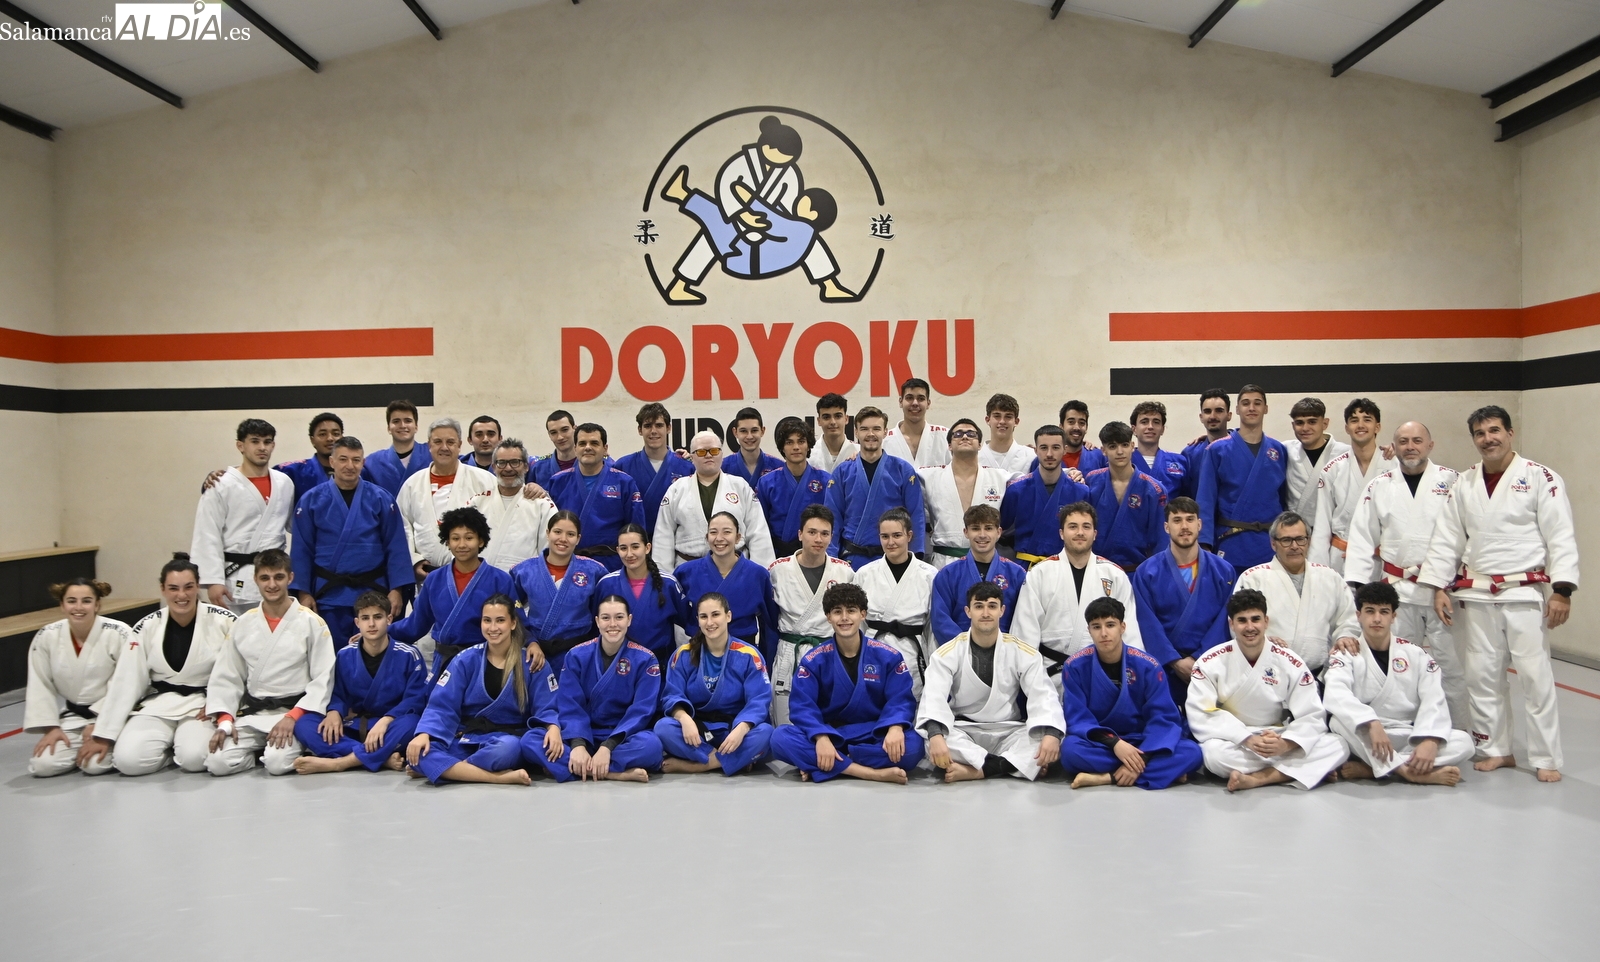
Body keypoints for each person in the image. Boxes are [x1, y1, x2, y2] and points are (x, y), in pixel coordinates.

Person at [1420, 405, 1579, 783]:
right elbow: (1447, 538)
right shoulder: (1464, 483)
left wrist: (1562, 590)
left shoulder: (1541, 477)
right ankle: (1496, 749)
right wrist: (1439, 586)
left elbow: (1560, 534)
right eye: (1480, 433)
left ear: (1510, 433)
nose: (1487, 439)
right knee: (1482, 677)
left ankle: (1545, 756)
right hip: (1477, 592)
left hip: (1523, 591)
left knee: (1535, 679)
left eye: (1494, 431)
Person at [1342, 421, 1466, 725]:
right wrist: (1359, 586)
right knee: (1400, 666)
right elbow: (1362, 536)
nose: (1410, 447)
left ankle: (1459, 730)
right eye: (1403, 441)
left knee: (1453, 668)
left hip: (1443, 592)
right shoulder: (1379, 485)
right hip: (1398, 592)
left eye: (1417, 440)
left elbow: (1468, 533)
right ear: (1394, 447)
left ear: (1430, 445)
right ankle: (1403, 726)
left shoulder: (1453, 481)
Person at [660, 116, 853, 304]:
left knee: (712, 231)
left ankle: (682, 195)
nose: (781, 164)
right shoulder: (741, 163)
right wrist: (742, 214)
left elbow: (784, 212)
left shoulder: (792, 184)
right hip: (745, 234)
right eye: (779, 157)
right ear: (766, 147)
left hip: (758, 252)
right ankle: (830, 286)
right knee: (712, 231)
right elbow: (726, 189)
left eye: (786, 161)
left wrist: (753, 207)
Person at [84, 554, 235, 776]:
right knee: (128, 762)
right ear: (162, 589)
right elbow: (127, 680)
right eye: (173, 588)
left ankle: (179, 749)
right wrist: (103, 733)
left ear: (197, 587)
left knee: (194, 759)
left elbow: (239, 671)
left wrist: (220, 703)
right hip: (159, 703)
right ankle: (167, 754)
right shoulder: (146, 626)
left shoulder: (224, 620)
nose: (181, 595)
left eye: (188, 587)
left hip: (203, 705)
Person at [1186, 590, 1348, 791]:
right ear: (1231, 624)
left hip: (1277, 735)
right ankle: (1303, 769)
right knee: (1213, 755)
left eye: (1256, 619)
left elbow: (1311, 715)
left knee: (1338, 744)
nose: (1250, 627)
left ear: (1266, 621)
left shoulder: (1290, 661)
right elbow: (1202, 712)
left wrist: (1286, 744)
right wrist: (1247, 738)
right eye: (1242, 620)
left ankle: (1259, 779)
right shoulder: (1210, 662)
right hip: (1235, 739)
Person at [770, 583, 925, 783]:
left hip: (873, 733)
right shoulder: (813, 660)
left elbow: (901, 700)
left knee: (914, 746)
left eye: (851, 611)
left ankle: (829, 763)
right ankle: (868, 772)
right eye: (837, 612)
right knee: (780, 738)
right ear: (828, 617)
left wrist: (895, 728)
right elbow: (802, 706)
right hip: (831, 734)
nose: (844, 618)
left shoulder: (888, 656)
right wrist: (821, 737)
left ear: (863, 614)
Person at [201, 549, 336, 776]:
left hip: (293, 713)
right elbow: (227, 675)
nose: (272, 584)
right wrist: (225, 720)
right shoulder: (243, 623)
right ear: (255, 579)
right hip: (254, 714)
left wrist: (293, 717)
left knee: (276, 764)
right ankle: (256, 755)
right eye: (265, 578)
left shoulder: (312, 622)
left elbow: (323, 679)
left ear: (290, 578)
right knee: (217, 762)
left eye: (278, 577)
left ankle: (275, 751)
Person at [1323, 582, 1473, 785]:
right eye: (1370, 611)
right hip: (1368, 735)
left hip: (1407, 734)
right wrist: (1371, 722)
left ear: (1394, 616)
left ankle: (1376, 768)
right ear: (1359, 615)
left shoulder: (1415, 653)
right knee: (1338, 722)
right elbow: (1336, 694)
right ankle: (1407, 772)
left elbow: (1434, 699)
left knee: (1464, 742)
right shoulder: (1346, 654)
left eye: (1384, 612)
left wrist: (1430, 739)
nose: (1377, 618)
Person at [918, 582, 1063, 782]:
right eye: (979, 606)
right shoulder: (947, 652)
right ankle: (1010, 766)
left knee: (1045, 741)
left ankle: (978, 770)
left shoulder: (1022, 652)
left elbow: (1043, 695)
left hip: (1009, 730)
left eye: (992, 606)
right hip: (964, 729)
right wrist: (936, 736)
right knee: (932, 742)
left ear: (1002, 610)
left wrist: (1052, 734)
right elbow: (934, 697)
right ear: (968, 611)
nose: (985, 613)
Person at [406, 595, 558, 786]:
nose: (493, 628)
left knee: (509, 749)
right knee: (421, 752)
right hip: (466, 738)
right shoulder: (465, 660)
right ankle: (496, 777)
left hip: (505, 741)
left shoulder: (531, 663)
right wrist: (424, 734)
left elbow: (547, 706)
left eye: (500, 620)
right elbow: (441, 705)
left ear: (513, 623)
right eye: (487, 620)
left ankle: (449, 770)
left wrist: (553, 727)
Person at [1060, 597, 1201, 789]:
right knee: (1070, 752)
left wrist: (1143, 756)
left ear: (1122, 627)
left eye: (1110, 625)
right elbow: (1078, 718)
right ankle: (1158, 771)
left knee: (1192, 753)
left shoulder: (1148, 665)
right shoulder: (1074, 666)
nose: (1104, 633)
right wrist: (1116, 744)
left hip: (1143, 740)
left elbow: (1163, 718)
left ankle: (1107, 777)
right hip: (1103, 743)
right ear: (1089, 630)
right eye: (1096, 627)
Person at [289, 436, 413, 649]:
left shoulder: (381, 499)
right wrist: (303, 592)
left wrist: (397, 590)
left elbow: (396, 547)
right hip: (328, 595)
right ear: (332, 461)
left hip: (374, 592)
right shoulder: (311, 500)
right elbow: (302, 550)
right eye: (343, 459)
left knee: (374, 652)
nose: (350, 465)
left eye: (356, 460)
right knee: (329, 655)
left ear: (363, 463)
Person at [527, 595, 664, 782]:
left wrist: (608, 746)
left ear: (629, 620)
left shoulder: (646, 659)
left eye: (619, 617)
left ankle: (578, 769)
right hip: (584, 733)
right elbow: (570, 704)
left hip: (622, 736)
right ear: (597, 622)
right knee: (531, 740)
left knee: (652, 747)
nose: (612, 624)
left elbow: (641, 710)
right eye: (606, 618)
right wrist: (578, 744)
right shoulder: (576, 655)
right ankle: (612, 773)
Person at [292, 591, 431, 774]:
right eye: (365, 618)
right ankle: (381, 757)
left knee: (412, 724)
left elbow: (415, 700)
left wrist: (386, 720)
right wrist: (334, 712)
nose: (371, 624)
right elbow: (338, 693)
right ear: (357, 623)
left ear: (389, 619)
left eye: (378, 617)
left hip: (391, 726)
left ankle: (341, 762)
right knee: (305, 724)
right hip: (356, 724)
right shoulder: (344, 654)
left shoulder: (409, 654)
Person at [1012, 502, 1145, 678]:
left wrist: (1130, 676)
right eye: (1073, 527)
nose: (1080, 532)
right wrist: (1033, 682)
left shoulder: (1115, 575)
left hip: (1101, 675)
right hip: (1049, 675)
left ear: (1095, 534)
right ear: (1061, 533)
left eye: (1086, 527)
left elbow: (1129, 633)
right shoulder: (1040, 574)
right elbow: (1025, 635)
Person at [1131, 497, 1236, 712]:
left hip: (1212, 665)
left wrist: (1199, 658)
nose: (1184, 526)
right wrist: (1174, 661)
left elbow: (1225, 621)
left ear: (1200, 524)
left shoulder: (1223, 571)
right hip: (1165, 668)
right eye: (1177, 520)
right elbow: (1147, 623)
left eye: (1190, 519)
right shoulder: (1146, 572)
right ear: (1166, 527)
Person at [655, 593, 775, 775]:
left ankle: (701, 764)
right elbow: (672, 695)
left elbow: (759, 700)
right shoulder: (684, 654)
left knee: (766, 732)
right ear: (698, 620)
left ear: (728, 616)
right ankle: (730, 761)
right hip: (698, 731)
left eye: (716, 614)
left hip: (733, 730)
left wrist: (742, 728)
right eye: (704, 616)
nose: (710, 622)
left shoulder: (749, 655)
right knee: (663, 728)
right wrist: (684, 719)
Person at [24, 578, 131, 777]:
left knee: (94, 765)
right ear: (62, 605)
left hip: (112, 715)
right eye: (72, 601)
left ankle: (109, 745)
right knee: (43, 765)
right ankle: (80, 747)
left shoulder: (119, 633)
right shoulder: (47, 636)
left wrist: (101, 726)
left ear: (97, 605)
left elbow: (127, 684)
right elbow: (40, 684)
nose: (79, 608)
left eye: (86, 601)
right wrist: (51, 728)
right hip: (73, 717)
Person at [390, 506, 515, 673]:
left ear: (481, 541)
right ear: (447, 542)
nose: (462, 544)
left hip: (486, 662)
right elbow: (415, 625)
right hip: (445, 663)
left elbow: (517, 622)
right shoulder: (434, 579)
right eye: (455, 538)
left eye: (469, 538)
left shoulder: (500, 580)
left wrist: (531, 643)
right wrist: (381, 632)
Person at [1234, 511, 1359, 674]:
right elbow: (1238, 621)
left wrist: (1345, 636)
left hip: (1318, 673)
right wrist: (1261, 641)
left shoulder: (1331, 578)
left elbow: (1348, 619)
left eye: (1300, 539)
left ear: (1309, 541)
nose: (1294, 546)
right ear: (1273, 544)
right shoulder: (1253, 578)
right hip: (1268, 670)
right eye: (1286, 540)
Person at [190, 418, 293, 614]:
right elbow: (207, 534)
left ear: (273, 445)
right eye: (255, 441)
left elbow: (296, 526)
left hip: (274, 577)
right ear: (240, 446)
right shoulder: (221, 484)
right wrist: (213, 581)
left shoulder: (284, 483)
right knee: (233, 630)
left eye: (267, 442)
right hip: (233, 577)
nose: (262, 447)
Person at [768, 505, 855, 723]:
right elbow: (768, 615)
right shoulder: (778, 570)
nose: (818, 539)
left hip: (828, 652)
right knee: (785, 726)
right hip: (790, 652)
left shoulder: (844, 571)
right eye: (812, 532)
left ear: (832, 537)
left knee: (828, 722)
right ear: (800, 534)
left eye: (825, 533)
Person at [1194, 385, 1289, 575]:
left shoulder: (1278, 450)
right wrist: (1204, 544)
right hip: (1231, 541)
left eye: (1257, 403)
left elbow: (1284, 499)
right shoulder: (1217, 450)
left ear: (1266, 409)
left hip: (1269, 543)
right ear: (1237, 410)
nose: (1251, 408)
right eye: (1246, 403)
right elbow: (1205, 500)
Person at [653, 429, 775, 573]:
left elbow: (758, 532)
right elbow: (663, 535)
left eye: (714, 451)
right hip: (689, 570)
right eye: (701, 452)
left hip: (735, 569)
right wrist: (664, 577)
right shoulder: (677, 489)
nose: (709, 455)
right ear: (692, 457)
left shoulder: (740, 486)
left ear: (722, 454)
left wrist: (761, 574)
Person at [825, 406, 927, 568]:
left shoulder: (902, 470)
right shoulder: (842, 472)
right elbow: (832, 517)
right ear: (856, 432)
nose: (870, 434)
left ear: (885, 432)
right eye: (864, 429)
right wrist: (830, 556)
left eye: (876, 429)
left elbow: (916, 515)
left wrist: (914, 557)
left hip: (893, 557)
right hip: (852, 558)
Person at [509, 511, 607, 675]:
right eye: (557, 532)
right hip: (535, 652)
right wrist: (529, 641)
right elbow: (511, 610)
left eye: (570, 534)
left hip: (579, 653)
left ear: (578, 539)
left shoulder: (594, 571)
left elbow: (604, 613)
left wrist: (592, 647)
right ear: (548, 533)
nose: (563, 539)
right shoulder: (523, 571)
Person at [397, 418, 496, 578]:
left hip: (474, 572)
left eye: (450, 442)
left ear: (459, 445)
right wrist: (414, 560)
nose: (444, 447)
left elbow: (495, 522)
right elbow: (403, 527)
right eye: (438, 442)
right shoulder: (412, 484)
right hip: (427, 574)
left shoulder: (484, 480)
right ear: (429, 445)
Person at [676, 512, 781, 663]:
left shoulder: (757, 574)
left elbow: (770, 620)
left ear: (738, 537)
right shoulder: (686, 572)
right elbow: (678, 613)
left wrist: (766, 658)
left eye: (727, 532)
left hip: (744, 651)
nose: (719, 538)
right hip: (701, 648)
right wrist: (697, 626)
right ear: (707, 537)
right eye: (713, 532)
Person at [855, 508, 938, 696]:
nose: (890, 542)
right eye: (885, 536)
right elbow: (858, 623)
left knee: (911, 700)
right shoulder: (864, 574)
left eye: (897, 535)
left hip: (912, 652)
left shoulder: (929, 575)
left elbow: (932, 627)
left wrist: (934, 664)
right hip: (873, 649)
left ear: (909, 536)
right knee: (872, 701)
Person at [1311, 398, 1397, 574]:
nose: (1360, 425)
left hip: (1381, 558)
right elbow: (1322, 525)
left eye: (1367, 419)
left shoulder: (1395, 467)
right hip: (1341, 556)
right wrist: (1318, 570)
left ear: (1377, 427)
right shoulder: (1333, 470)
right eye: (1354, 420)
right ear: (1347, 428)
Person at [546, 422, 645, 572]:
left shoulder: (624, 482)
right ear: (575, 448)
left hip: (612, 564)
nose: (587, 447)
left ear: (605, 448)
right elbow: (548, 526)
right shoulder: (557, 481)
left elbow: (636, 529)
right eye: (582, 443)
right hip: (568, 562)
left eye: (594, 443)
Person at [920, 418, 1012, 569]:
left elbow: (1032, 481)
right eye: (958, 434)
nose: (964, 437)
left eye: (971, 434)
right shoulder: (928, 477)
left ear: (980, 445)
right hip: (944, 561)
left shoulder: (999, 477)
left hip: (986, 559)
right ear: (949, 445)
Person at [931, 505, 1027, 644]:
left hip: (1005, 650)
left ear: (998, 532)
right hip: (960, 651)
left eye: (988, 528)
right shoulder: (948, 574)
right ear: (966, 532)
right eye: (975, 528)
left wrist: (1007, 648)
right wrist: (966, 646)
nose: (982, 535)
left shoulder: (1017, 574)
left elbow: (1024, 620)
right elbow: (940, 620)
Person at [597, 523, 691, 666]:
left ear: (647, 548)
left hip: (659, 665)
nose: (629, 554)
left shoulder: (668, 584)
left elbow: (690, 622)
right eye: (623, 548)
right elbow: (596, 627)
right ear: (617, 550)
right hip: (616, 664)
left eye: (635, 547)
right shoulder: (606, 584)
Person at [1000, 425, 1092, 567]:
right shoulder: (1016, 490)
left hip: (1065, 566)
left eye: (1055, 447)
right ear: (1035, 450)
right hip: (1025, 567)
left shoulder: (1080, 492)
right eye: (1043, 448)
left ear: (1065, 450)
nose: (1049, 454)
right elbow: (1000, 530)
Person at [1083, 421, 1169, 572]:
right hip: (1096, 571)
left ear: (1132, 446)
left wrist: (1154, 575)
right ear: (1103, 450)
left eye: (1124, 445)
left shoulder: (1154, 489)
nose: (1120, 451)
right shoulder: (1092, 481)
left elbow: (1161, 541)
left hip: (1137, 571)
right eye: (1112, 446)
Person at [470, 438, 556, 572]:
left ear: (526, 466)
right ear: (494, 467)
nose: (508, 468)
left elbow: (550, 551)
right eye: (501, 463)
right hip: (481, 578)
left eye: (515, 462)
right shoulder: (477, 502)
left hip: (524, 579)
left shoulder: (543, 505)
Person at [613, 402, 694, 534]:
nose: (653, 431)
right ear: (640, 430)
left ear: (669, 428)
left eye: (659, 425)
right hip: (636, 540)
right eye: (648, 426)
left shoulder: (686, 467)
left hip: (675, 540)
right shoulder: (623, 466)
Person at [757, 416, 831, 556]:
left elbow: (832, 522)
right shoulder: (766, 483)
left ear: (808, 445)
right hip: (778, 553)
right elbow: (760, 526)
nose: (796, 447)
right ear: (782, 447)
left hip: (815, 552)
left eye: (801, 441)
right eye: (789, 442)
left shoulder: (825, 480)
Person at [1283, 398, 1349, 522]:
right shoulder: (1285, 449)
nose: (1305, 428)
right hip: (1295, 528)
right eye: (1299, 423)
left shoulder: (1346, 453)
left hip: (1331, 527)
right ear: (1293, 425)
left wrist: (1388, 451)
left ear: (1325, 423)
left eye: (1312, 422)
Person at [360, 400, 429, 498]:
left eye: (408, 421)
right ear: (389, 428)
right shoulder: (372, 463)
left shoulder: (432, 454)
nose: (402, 425)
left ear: (416, 426)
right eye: (396, 421)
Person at [274, 412, 343, 508]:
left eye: (335, 434)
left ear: (342, 438)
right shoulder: (292, 471)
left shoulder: (357, 471)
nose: (330, 438)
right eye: (322, 434)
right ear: (312, 440)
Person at [881, 378, 950, 468]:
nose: (915, 403)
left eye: (921, 398)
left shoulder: (945, 437)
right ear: (901, 402)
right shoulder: (884, 441)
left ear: (928, 403)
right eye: (909, 398)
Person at [1128, 401, 1188, 499]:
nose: (1150, 427)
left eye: (1156, 422)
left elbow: (1188, 500)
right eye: (1144, 422)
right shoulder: (1124, 460)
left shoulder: (1179, 462)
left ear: (1162, 429)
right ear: (1134, 429)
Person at [1179, 389, 1232, 499]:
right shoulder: (1190, 454)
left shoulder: (1241, 448)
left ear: (1229, 415)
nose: (1212, 416)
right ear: (1201, 417)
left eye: (1219, 411)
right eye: (1207, 411)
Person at [722, 406, 785, 487]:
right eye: (743, 431)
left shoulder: (779, 467)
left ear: (762, 431)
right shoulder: (722, 467)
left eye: (754, 430)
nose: (749, 436)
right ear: (735, 432)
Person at [978, 393, 1034, 476]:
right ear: (988, 420)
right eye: (997, 416)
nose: (1002, 421)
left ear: (1016, 421)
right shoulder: (975, 458)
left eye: (1008, 417)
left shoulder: (1030, 456)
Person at [808, 393, 859, 471]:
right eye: (826, 417)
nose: (833, 422)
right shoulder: (809, 454)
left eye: (838, 416)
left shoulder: (860, 452)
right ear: (819, 421)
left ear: (846, 419)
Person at [1054, 401, 1107, 476]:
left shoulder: (1099, 456)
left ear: (1086, 428)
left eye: (1081, 423)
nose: (1076, 427)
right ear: (1061, 427)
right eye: (1071, 422)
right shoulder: (1048, 458)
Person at [530, 409, 580, 488]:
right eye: (553, 432)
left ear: (575, 429)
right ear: (549, 435)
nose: (560, 437)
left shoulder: (591, 464)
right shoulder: (538, 467)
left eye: (565, 430)